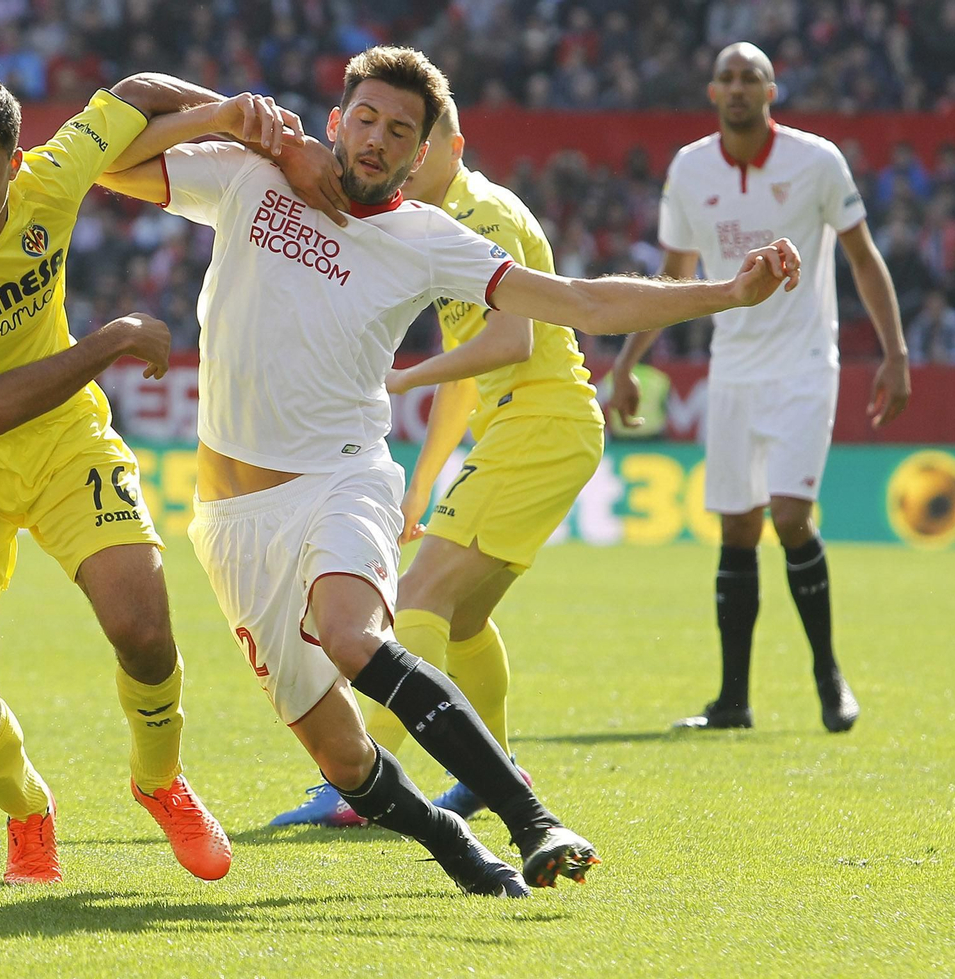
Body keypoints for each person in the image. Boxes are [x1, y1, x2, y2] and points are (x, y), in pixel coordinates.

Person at [99, 45, 802, 892]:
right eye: (364, 119)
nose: (377, 140)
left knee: (358, 637)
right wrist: (233, 117)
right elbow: (109, 148)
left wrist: (726, 293)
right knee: (344, 756)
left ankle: (533, 819)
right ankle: (450, 839)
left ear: (422, 152)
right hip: (235, 524)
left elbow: (580, 302)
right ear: (335, 121)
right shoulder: (255, 175)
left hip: (340, 477)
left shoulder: (430, 239)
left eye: (401, 131)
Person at [0, 69, 303, 886]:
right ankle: (29, 810)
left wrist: (227, 115)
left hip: (65, 441)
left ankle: (161, 781)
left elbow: (136, 90)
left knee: (143, 627)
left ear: (15, 159)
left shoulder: (54, 177)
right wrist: (114, 338)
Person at [266, 95, 605, 828]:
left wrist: (401, 376)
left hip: (539, 426)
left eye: (411, 141)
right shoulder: (444, 228)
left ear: (446, 147)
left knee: (417, 601)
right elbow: (467, 369)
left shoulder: (478, 215)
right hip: (528, 427)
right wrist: (422, 484)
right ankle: (496, 769)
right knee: (461, 618)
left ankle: (355, 784)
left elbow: (509, 344)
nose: (397, 158)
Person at [610, 42, 912, 734]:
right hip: (733, 367)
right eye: (727, 78)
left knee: (789, 514)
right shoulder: (690, 168)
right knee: (738, 526)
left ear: (772, 91)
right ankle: (733, 701)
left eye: (752, 76)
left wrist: (895, 353)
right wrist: (627, 363)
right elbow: (676, 274)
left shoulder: (818, 160)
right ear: (712, 93)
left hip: (806, 363)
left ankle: (827, 674)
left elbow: (864, 260)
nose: (739, 86)